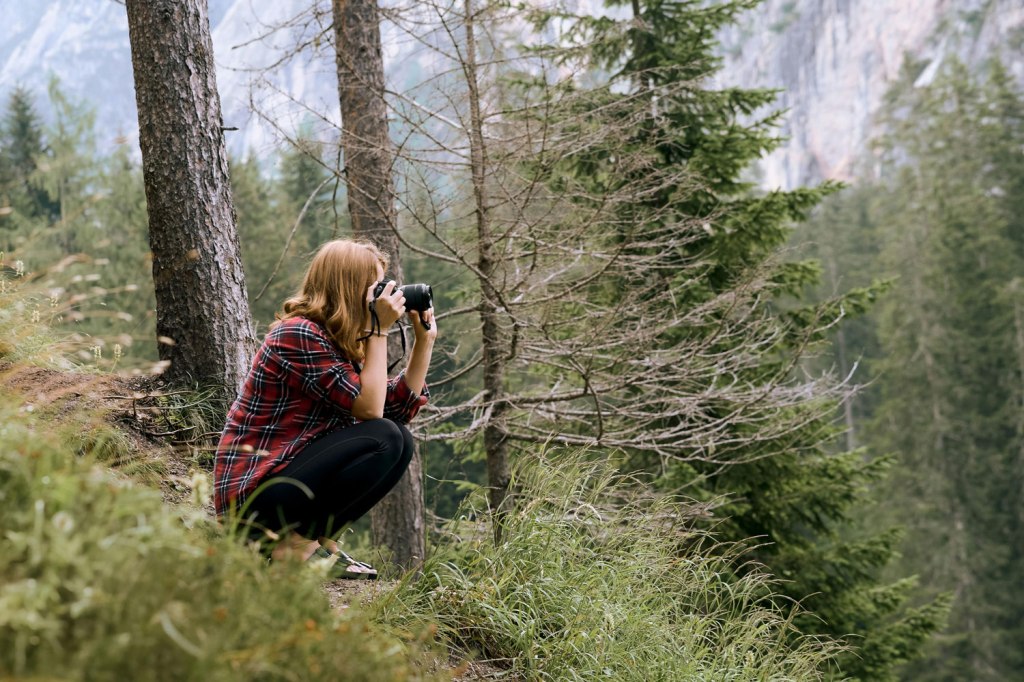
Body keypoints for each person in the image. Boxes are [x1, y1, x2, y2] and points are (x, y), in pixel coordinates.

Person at [213, 239, 435, 578]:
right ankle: (296, 547)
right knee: (385, 437)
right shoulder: (298, 333)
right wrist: (378, 331)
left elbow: (394, 409)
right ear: (348, 286)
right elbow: (372, 412)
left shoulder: (339, 341)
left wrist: (424, 343)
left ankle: (317, 542)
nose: (384, 295)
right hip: (251, 499)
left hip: (284, 486)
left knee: (400, 441)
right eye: (376, 286)